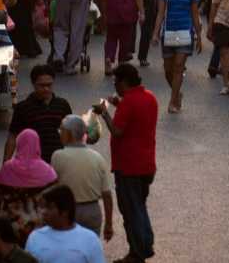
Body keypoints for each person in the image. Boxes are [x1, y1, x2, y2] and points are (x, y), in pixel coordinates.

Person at [92, 64, 158, 263]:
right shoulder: (149, 98)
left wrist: (105, 113)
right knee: (139, 206)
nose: (115, 85)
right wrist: (117, 104)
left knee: (131, 210)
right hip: (146, 165)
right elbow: (135, 117)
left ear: (123, 82)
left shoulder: (129, 102)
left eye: (116, 82)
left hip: (129, 166)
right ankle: (144, 246)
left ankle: (138, 252)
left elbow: (118, 131)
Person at [151, 0, 202, 114]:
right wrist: (155, 34)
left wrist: (199, 36)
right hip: (168, 33)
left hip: (185, 32)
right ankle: (177, 92)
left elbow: (195, 15)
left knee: (179, 66)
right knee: (168, 69)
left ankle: (173, 101)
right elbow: (160, 13)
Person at [51, 115, 115, 241]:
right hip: (92, 212)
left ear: (68, 135)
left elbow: (53, 187)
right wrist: (108, 224)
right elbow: (107, 195)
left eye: (61, 131)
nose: (59, 134)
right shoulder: (98, 158)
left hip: (68, 211)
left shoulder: (58, 156)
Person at [0, 130, 58, 244]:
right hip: (39, 230)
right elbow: (55, 204)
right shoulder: (48, 171)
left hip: (11, 230)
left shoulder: (8, 169)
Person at [7, 64, 73, 164]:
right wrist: (5, 164)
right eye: (42, 85)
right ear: (33, 84)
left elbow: (71, 134)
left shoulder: (63, 105)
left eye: (49, 85)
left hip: (59, 163)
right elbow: (12, 137)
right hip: (32, 165)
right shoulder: (22, 108)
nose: (46, 89)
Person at [25, 185, 106, 263]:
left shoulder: (89, 240)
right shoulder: (35, 238)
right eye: (43, 207)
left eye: (49, 207)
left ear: (65, 211)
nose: (43, 212)